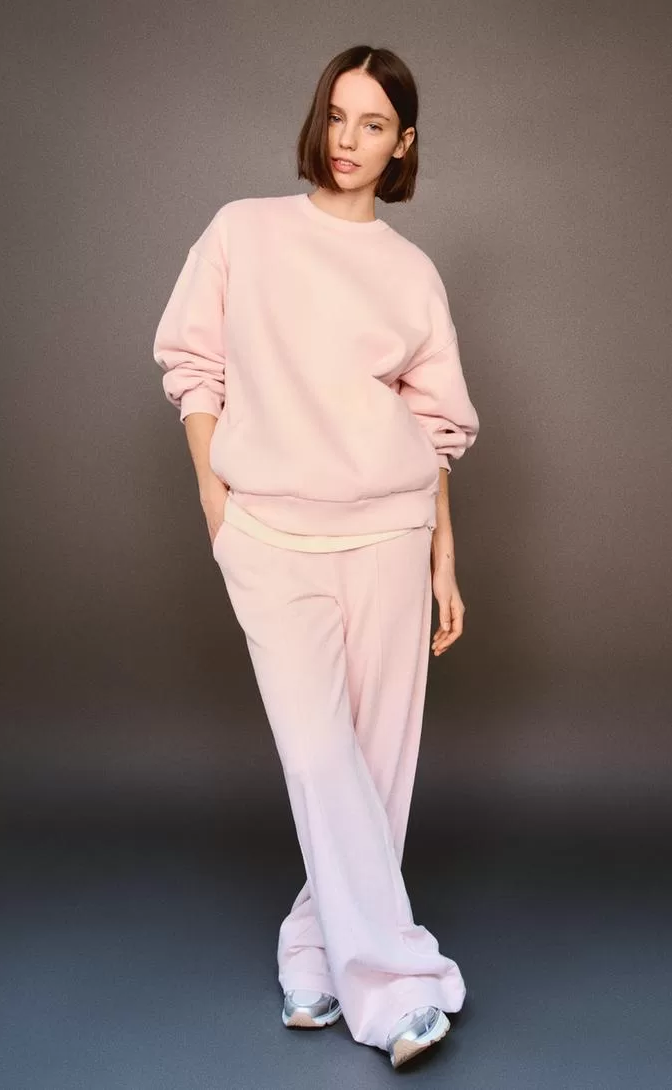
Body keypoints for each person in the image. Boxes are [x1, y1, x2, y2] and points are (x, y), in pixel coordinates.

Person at [152, 44, 480, 1070]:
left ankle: (312, 949)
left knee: (374, 771)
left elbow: (434, 427)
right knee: (318, 754)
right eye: (337, 116)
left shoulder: (410, 273)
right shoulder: (242, 231)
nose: (347, 141)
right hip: (271, 536)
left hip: (391, 535)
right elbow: (192, 362)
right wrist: (214, 496)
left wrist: (444, 554)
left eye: (372, 124)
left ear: (403, 143)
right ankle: (394, 988)